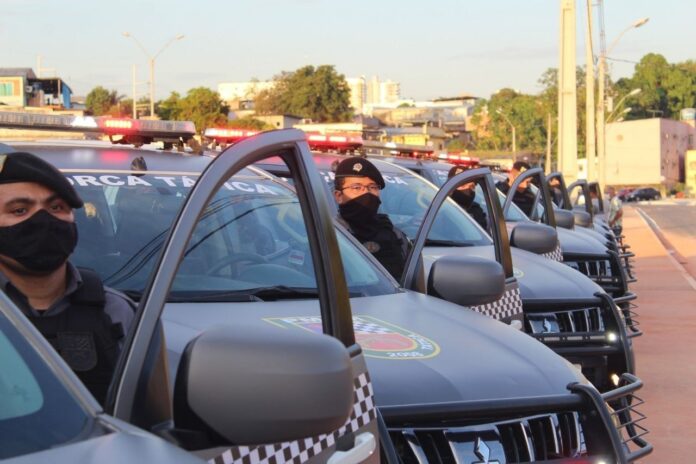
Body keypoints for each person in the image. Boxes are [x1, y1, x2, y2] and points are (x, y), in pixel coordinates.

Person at [0, 152, 135, 404]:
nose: (43, 221)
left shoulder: (117, 313)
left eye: (56, 208)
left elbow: (151, 420)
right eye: (20, 210)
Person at [333, 157, 410, 280]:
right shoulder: (328, 237)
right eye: (356, 188)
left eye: (372, 187)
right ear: (338, 196)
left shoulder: (397, 237)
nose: (366, 193)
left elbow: (415, 290)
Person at [447, 165, 487, 230]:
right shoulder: (443, 208)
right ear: (452, 187)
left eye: (473, 186)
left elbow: (486, 235)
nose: (470, 190)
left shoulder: (476, 211)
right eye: (465, 186)